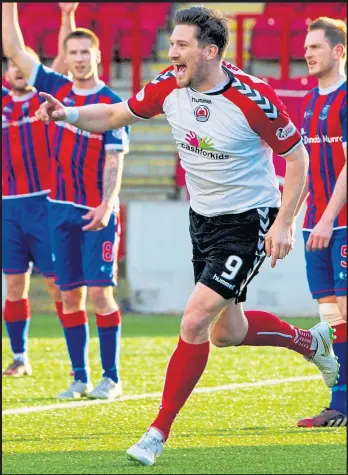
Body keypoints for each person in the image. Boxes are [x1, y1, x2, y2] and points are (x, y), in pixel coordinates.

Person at [34, 6, 340, 465]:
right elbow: (116, 113)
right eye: (171, 43)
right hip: (203, 220)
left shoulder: (251, 98)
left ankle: (158, 431)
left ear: (210, 51)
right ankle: (310, 343)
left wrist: (284, 223)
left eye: (181, 46)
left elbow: (298, 158)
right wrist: (67, 114)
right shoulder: (166, 85)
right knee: (226, 333)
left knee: (194, 319)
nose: (171, 53)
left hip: (248, 218)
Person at [2, 2, 129, 400]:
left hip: (96, 210)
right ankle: (80, 377)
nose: (77, 58)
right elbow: (16, 50)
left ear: (97, 57)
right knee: (70, 294)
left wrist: (109, 204)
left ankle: (111, 378)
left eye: (83, 52)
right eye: (71, 52)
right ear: (67, 58)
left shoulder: (111, 102)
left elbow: (114, 157)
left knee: (100, 295)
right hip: (58, 208)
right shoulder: (55, 89)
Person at [1, 2, 76, 377]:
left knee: (57, 285)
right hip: (7, 208)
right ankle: (19, 357)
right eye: (13, 64)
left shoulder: (40, 99)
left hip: (44, 204)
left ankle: (74, 359)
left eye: (23, 64)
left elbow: (62, 61)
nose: (17, 69)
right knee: (14, 284)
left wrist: (66, 16)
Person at [295, 17, 346, 428]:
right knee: (330, 314)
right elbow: (307, 168)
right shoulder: (310, 102)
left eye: (315, 46)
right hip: (316, 223)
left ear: (338, 51)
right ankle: (341, 404)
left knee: (345, 309)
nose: (307, 53)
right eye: (306, 46)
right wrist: (290, 217)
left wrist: (328, 218)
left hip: (341, 223)